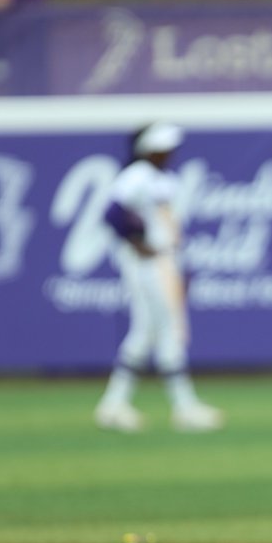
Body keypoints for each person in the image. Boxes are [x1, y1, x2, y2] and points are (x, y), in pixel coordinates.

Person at [94, 123, 224, 434]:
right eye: (164, 147)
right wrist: (138, 243)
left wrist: (180, 267)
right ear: (149, 148)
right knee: (168, 329)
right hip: (148, 264)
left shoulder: (165, 179)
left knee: (146, 332)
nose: (170, 153)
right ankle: (184, 406)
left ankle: (114, 404)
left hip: (166, 260)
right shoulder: (137, 174)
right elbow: (112, 213)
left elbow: (170, 227)